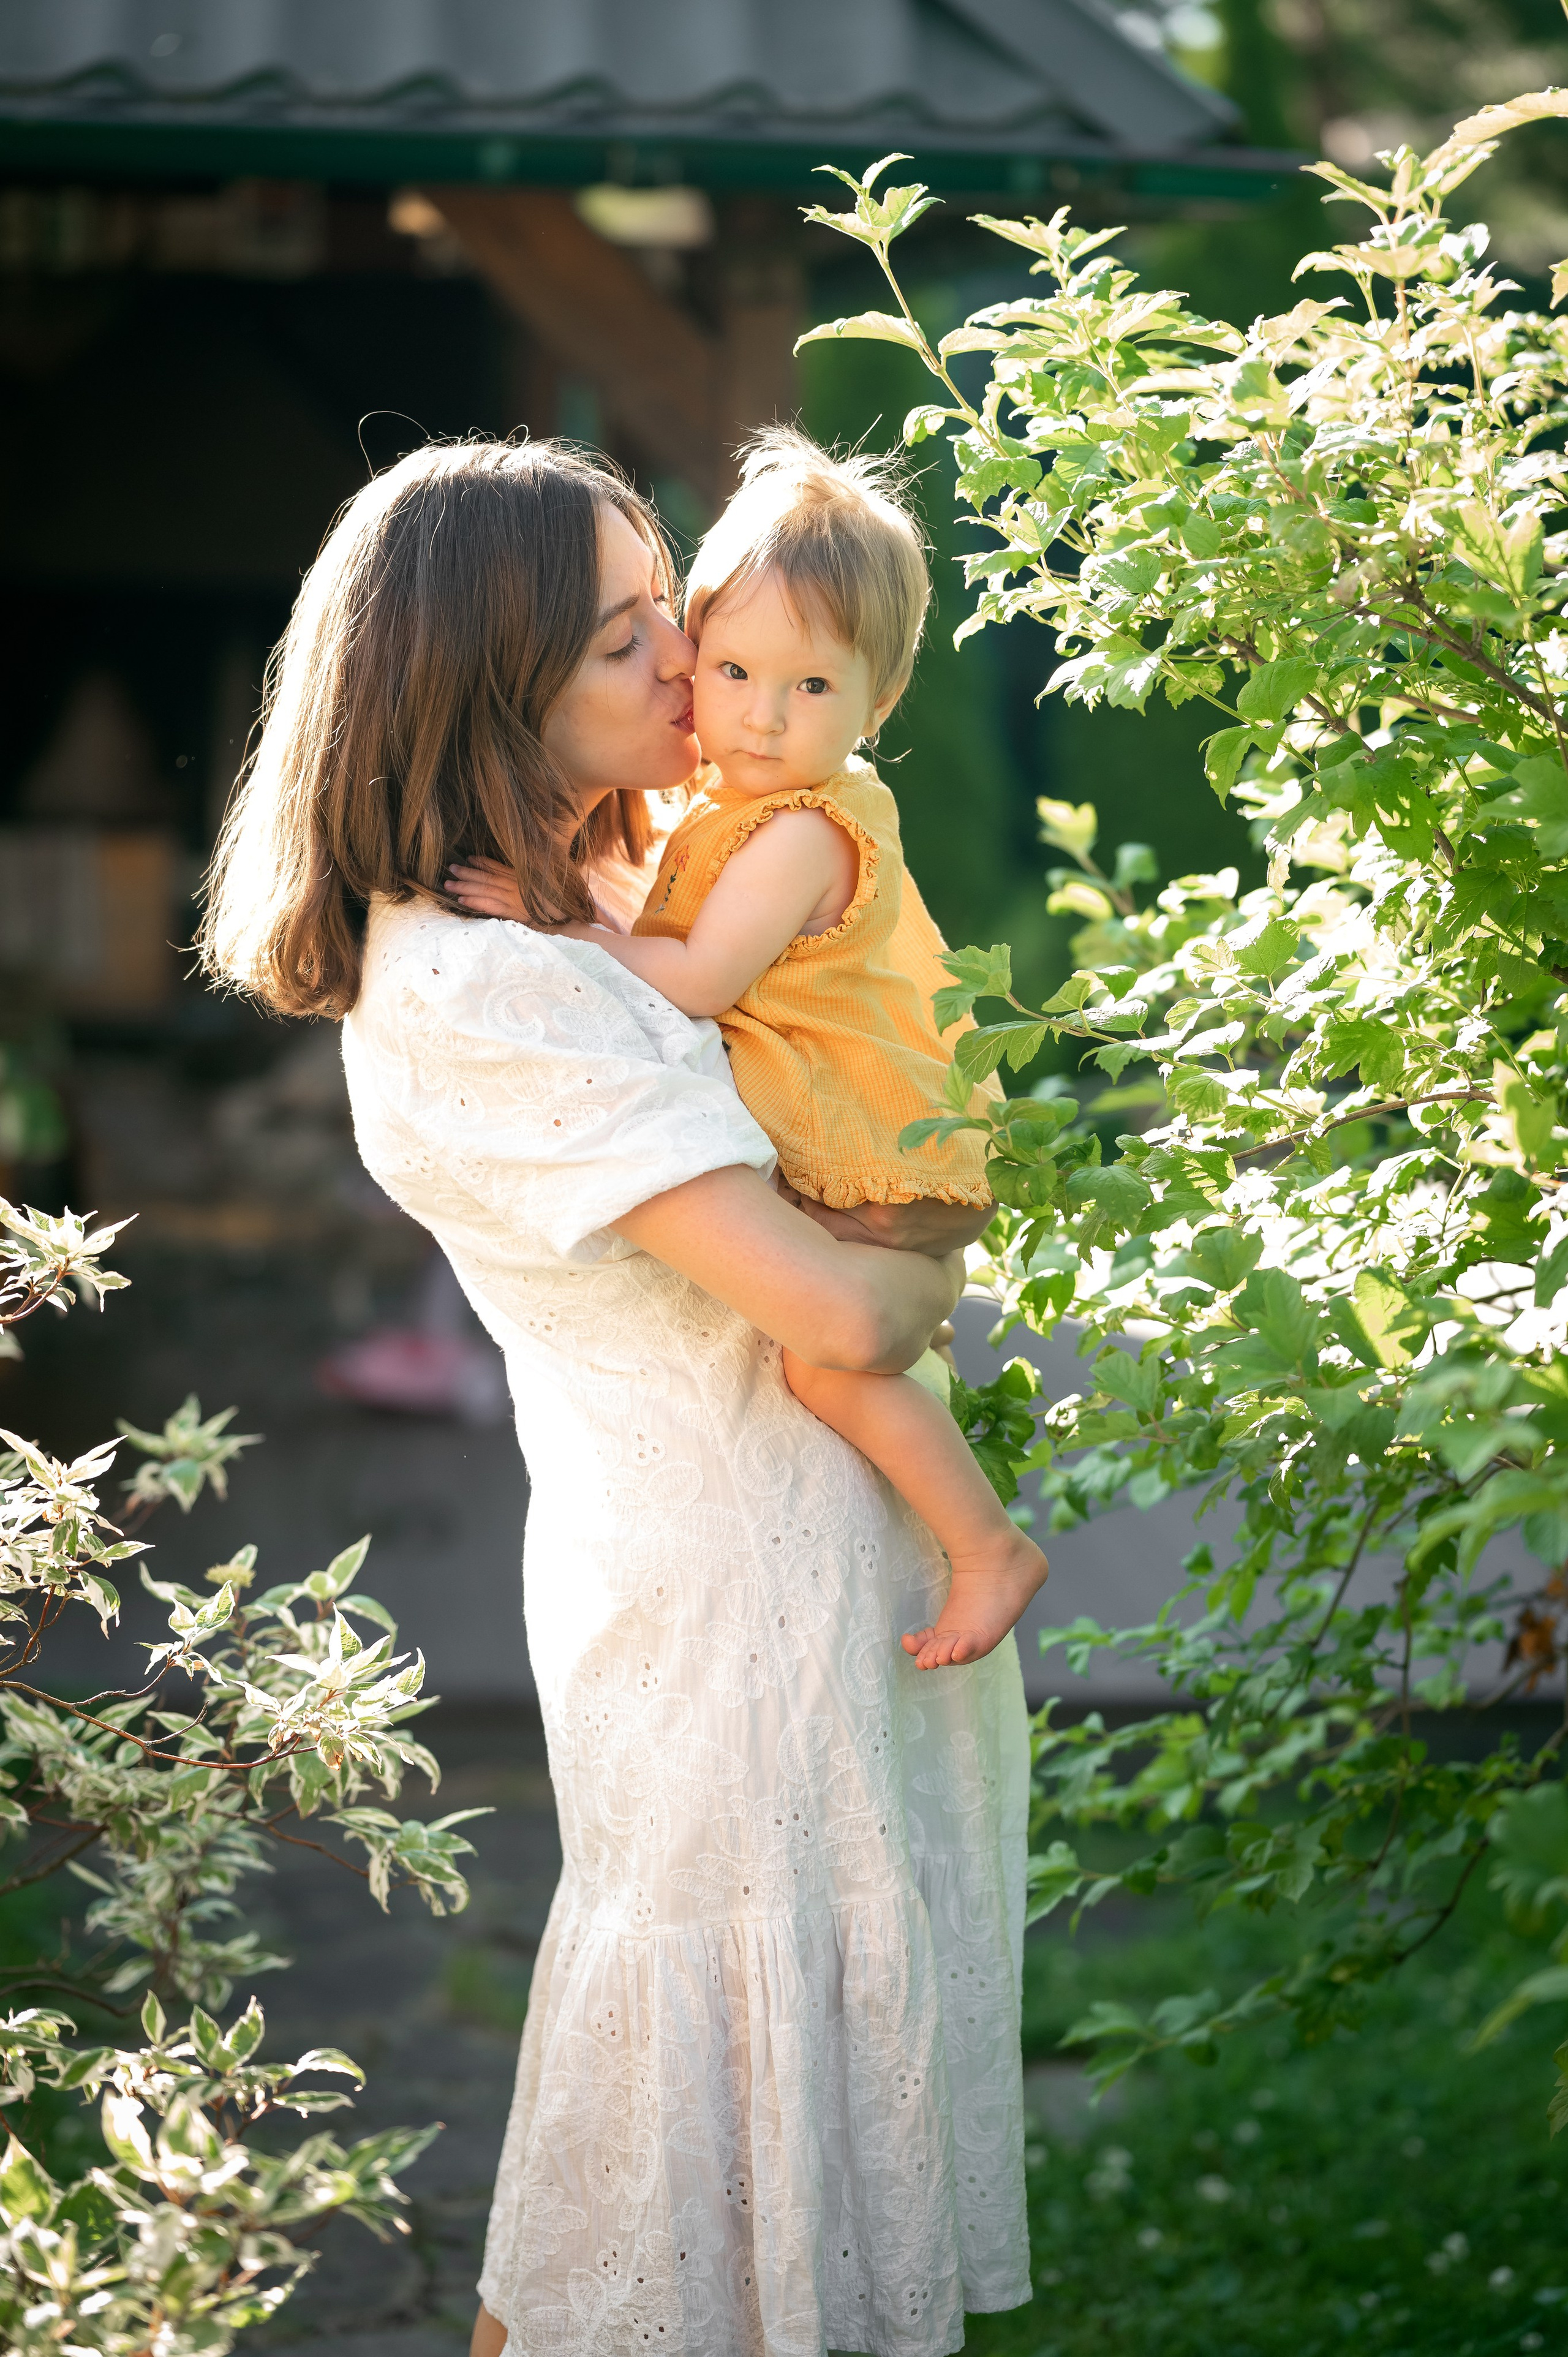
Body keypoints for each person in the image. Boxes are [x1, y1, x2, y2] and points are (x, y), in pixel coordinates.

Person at [201, 438, 1031, 2357]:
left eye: (670, 597)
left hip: (811, 1582)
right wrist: (939, 1262)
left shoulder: (613, 877)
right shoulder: (492, 983)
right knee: (659, 2189)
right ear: (493, 691)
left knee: (738, 2165)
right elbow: (836, 1304)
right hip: (731, 1614)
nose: (692, 656)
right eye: (623, 635)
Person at [448, 429, 1047, 1671]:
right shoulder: (739, 805)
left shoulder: (800, 833)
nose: (761, 717)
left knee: (825, 1371)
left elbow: (701, 976)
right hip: (863, 1148)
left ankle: (987, 1547)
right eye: (729, 669)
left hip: (876, 1160)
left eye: (812, 689)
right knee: (843, 1358)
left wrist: (550, 924)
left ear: (879, 700)